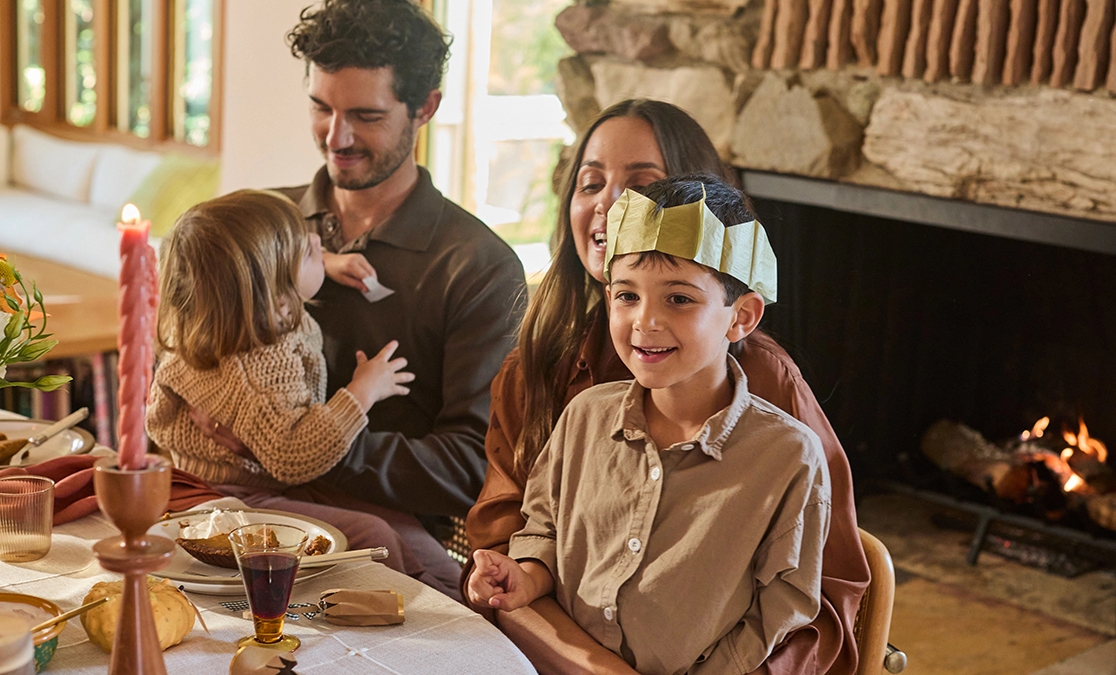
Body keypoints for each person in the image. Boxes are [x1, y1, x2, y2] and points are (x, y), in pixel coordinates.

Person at [464, 99, 871, 675]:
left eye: (640, 185)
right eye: (590, 181)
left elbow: (807, 600)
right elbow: (522, 541)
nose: (609, 204)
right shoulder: (550, 381)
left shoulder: (775, 416)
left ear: (741, 315)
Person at [259, 0, 526, 590]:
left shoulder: (478, 268)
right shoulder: (261, 226)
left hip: (374, 564)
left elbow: (469, 467)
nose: (337, 137)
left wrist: (302, 446)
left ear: (425, 107)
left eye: (366, 115)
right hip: (229, 519)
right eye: (321, 108)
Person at [147, 190, 458, 597]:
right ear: (276, 299)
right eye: (305, 252)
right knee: (374, 534)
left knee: (408, 534)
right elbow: (294, 455)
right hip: (235, 497)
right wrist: (362, 392)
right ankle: (419, 628)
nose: (318, 241)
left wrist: (321, 264)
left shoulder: (238, 316)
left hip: (270, 482)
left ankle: (458, 603)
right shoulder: (261, 363)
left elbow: (258, 274)